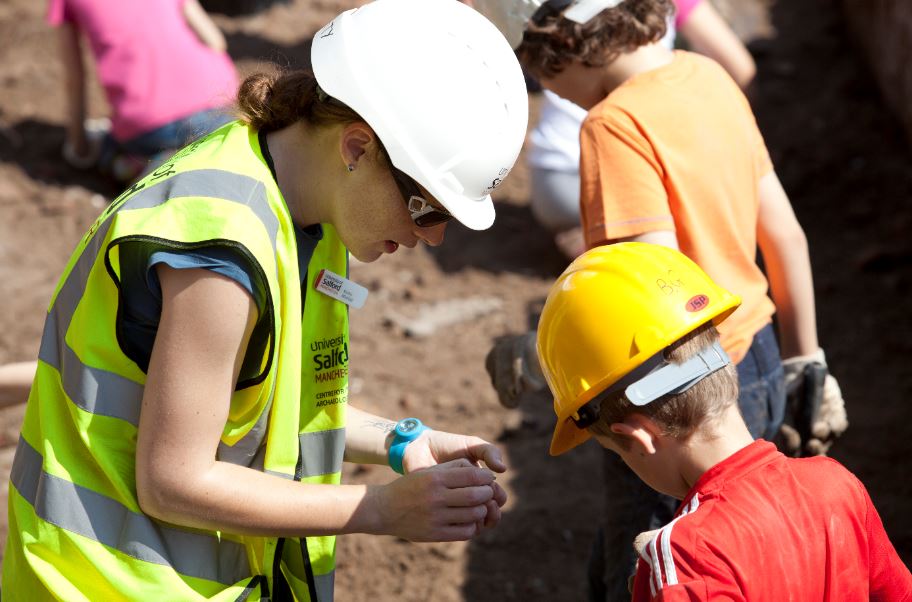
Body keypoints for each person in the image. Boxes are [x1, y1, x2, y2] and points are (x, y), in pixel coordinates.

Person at [2, 0, 529, 599]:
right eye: (426, 206)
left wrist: (398, 441)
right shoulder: (222, 254)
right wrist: (379, 510)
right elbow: (174, 481)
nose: (431, 237)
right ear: (357, 149)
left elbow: (264, 414)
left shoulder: (299, 203)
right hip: (108, 583)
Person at [474, 0, 847, 597]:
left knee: (652, 564)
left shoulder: (613, 125)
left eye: (539, 77)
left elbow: (653, 284)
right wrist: (809, 362)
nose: (553, 96)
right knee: (744, 540)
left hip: (674, 395)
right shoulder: (710, 77)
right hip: (759, 361)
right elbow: (785, 236)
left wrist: (547, 348)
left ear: (557, 46)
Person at [536, 242, 912, 601]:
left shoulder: (685, 558)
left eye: (619, 454)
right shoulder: (838, 485)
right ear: (724, 367)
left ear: (639, 437)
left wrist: (671, 580)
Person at [520, 0, 757, 259]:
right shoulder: (710, 74)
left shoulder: (608, 123)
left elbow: (659, 268)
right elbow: (741, 68)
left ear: (563, 43)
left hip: (555, 180)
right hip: (592, 184)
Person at [50, 0, 240, 181]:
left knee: (108, 149)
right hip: (222, 104)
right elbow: (215, 41)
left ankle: (153, 167)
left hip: (150, 124)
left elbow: (75, 77)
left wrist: (79, 146)